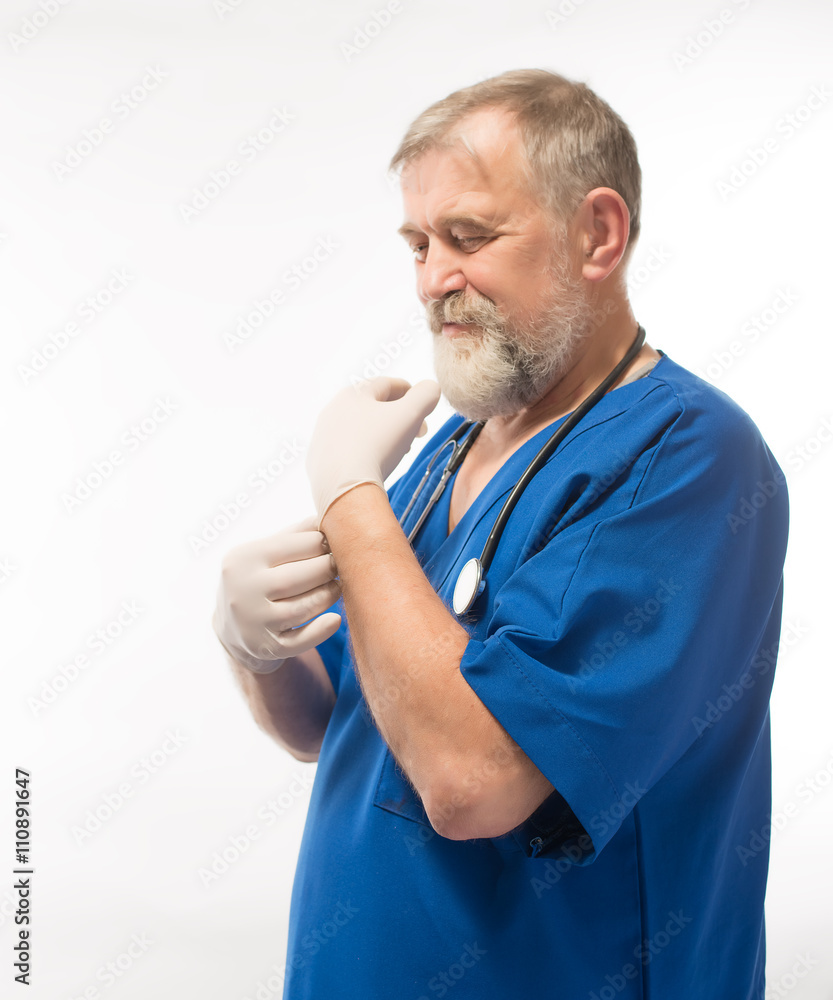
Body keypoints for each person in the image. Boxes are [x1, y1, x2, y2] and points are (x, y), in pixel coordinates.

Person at [213, 69, 789, 999]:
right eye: (417, 244)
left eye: (468, 236)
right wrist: (257, 649)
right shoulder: (448, 454)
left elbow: (470, 781)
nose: (432, 280)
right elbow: (338, 725)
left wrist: (349, 495)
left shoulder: (687, 456)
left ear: (596, 234)